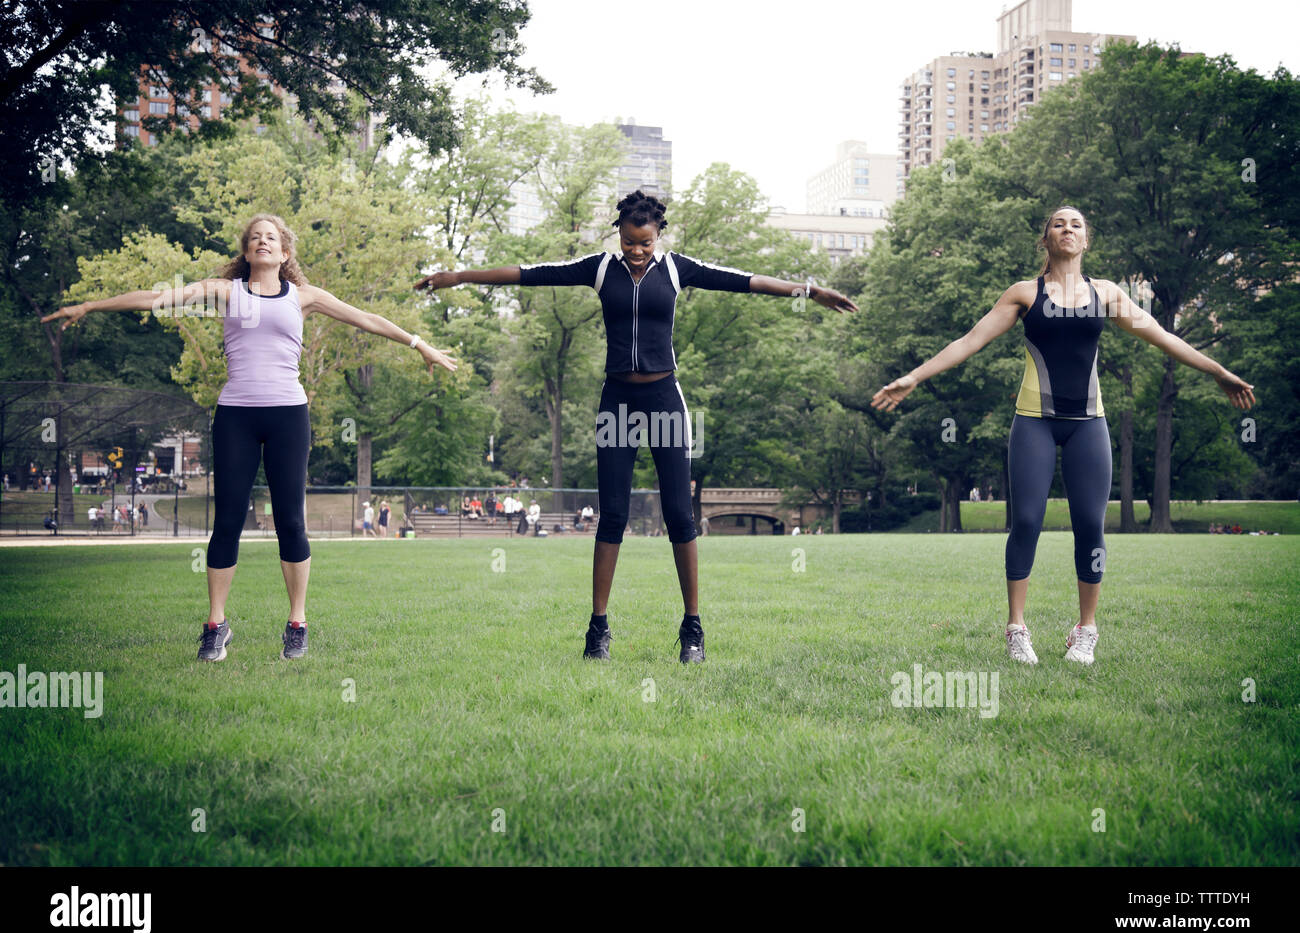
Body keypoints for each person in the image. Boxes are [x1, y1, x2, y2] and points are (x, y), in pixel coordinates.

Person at [416, 189, 857, 663]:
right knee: (613, 517)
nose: (636, 250)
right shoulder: (600, 268)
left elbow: (745, 281)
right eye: (629, 241)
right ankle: (598, 631)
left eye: (644, 242)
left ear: (659, 236)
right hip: (618, 402)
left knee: (679, 516)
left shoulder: (677, 269)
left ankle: (693, 630)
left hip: (665, 399)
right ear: (619, 236)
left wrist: (808, 292)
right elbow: (528, 274)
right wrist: (457, 277)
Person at [43, 213, 456, 662]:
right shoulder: (226, 291)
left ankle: (297, 623)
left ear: (285, 253)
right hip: (236, 415)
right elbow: (157, 299)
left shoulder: (304, 297)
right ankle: (216, 625)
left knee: (291, 522)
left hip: (288, 416)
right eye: (255, 237)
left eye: (271, 237)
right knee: (227, 521)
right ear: (246, 252)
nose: (262, 242)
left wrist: (419, 344)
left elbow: (367, 319)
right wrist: (90, 306)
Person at [871, 205, 1254, 666]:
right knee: (1028, 520)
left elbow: (1162, 336)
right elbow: (969, 341)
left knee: (1090, 525)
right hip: (1033, 420)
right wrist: (913, 377)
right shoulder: (1024, 294)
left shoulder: (1107, 294)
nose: (1067, 229)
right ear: (1045, 239)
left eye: (1076, 225)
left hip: (1088, 424)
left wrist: (1218, 371)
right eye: (1058, 223)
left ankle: (1086, 629)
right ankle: (1016, 627)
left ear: (1086, 240)